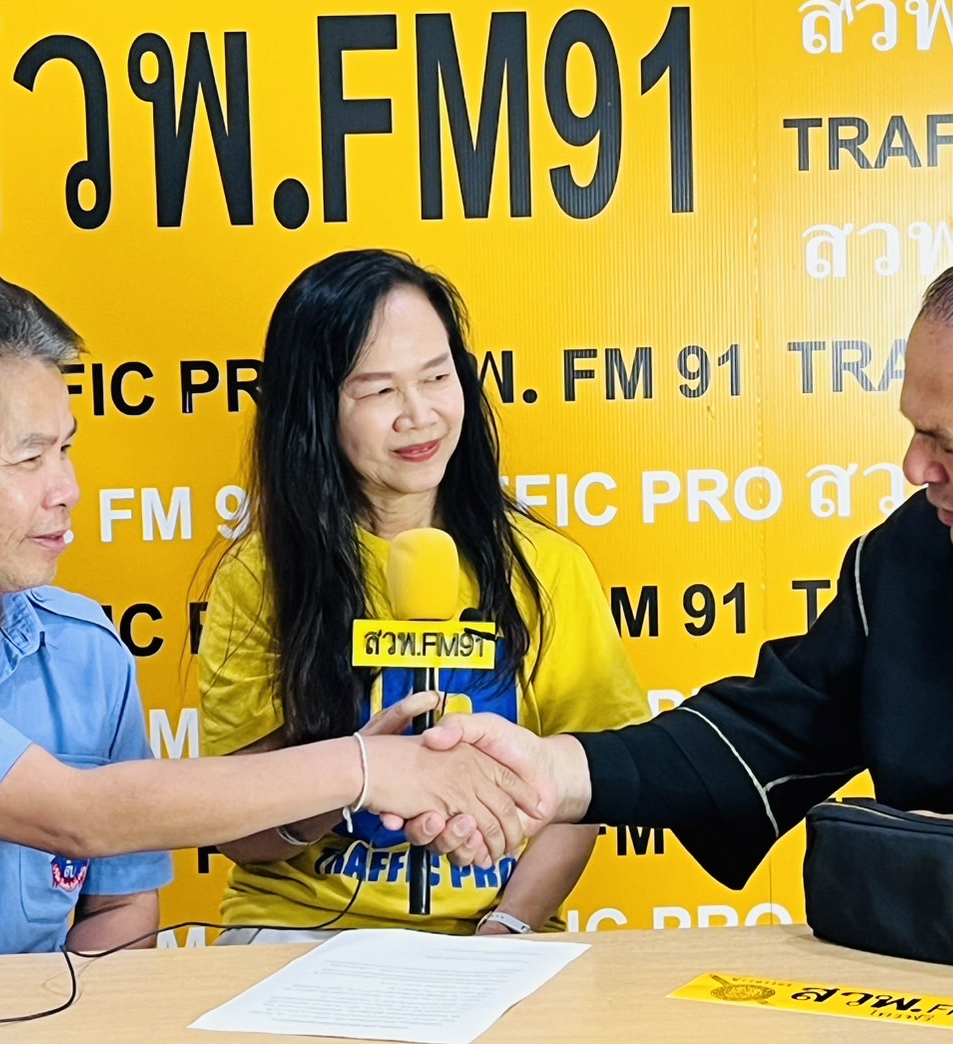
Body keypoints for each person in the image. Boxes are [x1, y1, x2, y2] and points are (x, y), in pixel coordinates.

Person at [0, 257, 545, 966]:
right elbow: (79, 815)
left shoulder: (83, 650)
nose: (68, 490)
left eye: (67, 449)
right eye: (31, 459)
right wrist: (368, 767)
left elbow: (118, 908)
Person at [408, 238, 953, 943]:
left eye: (946, 442)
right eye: (914, 430)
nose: (913, 468)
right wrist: (554, 772)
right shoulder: (913, 554)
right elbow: (766, 734)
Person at [198, 249, 649, 941]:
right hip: (298, 928)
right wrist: (356, 773)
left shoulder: (546, 567)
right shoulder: (259, 578)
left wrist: (507, 927)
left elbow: (589, 784)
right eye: (379, 391)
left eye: (437, 377)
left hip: (497, 930)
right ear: (314, 407)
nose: (419, 415)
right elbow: (238, 832)